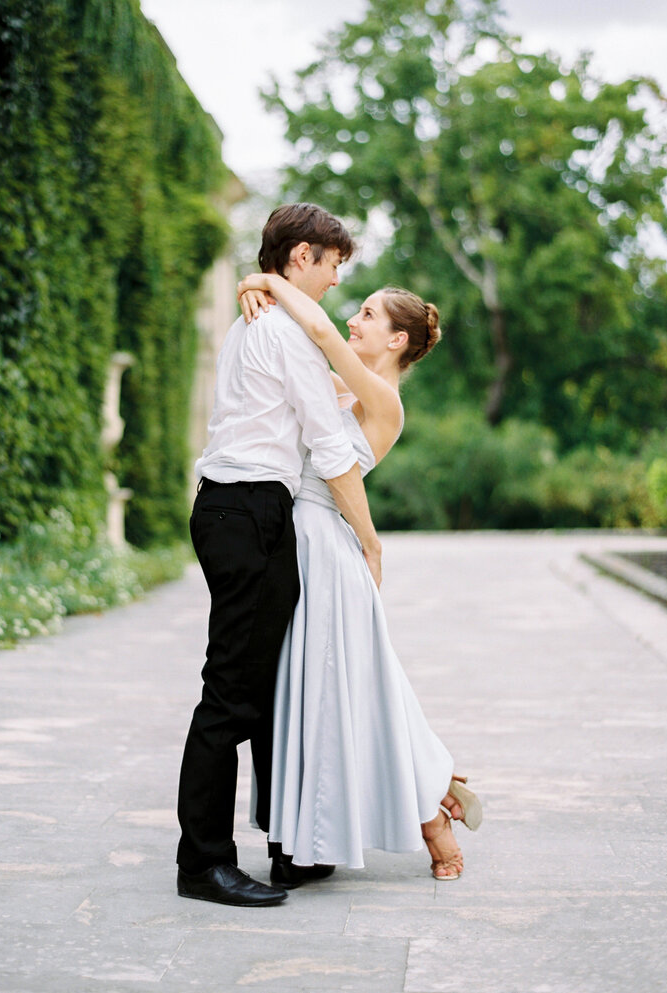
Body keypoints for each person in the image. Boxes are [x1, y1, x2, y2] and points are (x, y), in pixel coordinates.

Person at [237, 271, 482, 882]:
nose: (354, 318)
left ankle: (432, 814)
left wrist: (265, 275)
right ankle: (429, 786)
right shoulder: (341, 388)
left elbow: (316, 327)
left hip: (325, 545)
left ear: (397, 341)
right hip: (298, 541)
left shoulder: (382, 398)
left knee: (349, 688)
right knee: (349, 687)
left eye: (370, 314)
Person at [176, 204, 383, 908]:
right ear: (300, 258)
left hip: (245, 509)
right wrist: (371, 540)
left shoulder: (254, 317)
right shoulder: (283, 333)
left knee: (264, 693)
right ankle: (202, 863)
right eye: (330, 265)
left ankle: (291, 842)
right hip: (245, 509)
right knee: (231, 695)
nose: (332, 282)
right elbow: (330, 449)